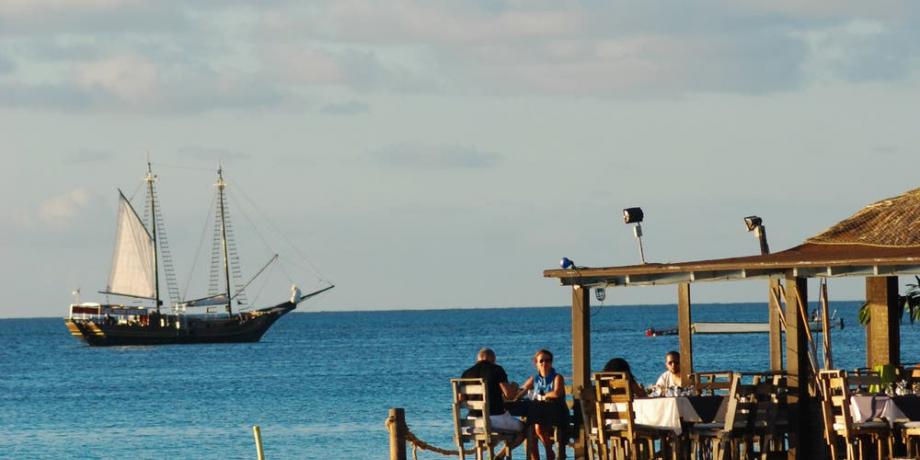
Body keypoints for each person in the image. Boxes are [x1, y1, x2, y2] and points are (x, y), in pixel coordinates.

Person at [461, 348, 525, 434]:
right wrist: (515, 386)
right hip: (494, 419)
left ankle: (490, 447)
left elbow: (460, 399)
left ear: (477, 359)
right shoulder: (496, 369)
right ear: (494, 359)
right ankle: (507, 447)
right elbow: (509, 395)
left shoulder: (466, 373)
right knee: (525, 427)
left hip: (471, 420)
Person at [519, 349, 568, 460]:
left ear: (551, 363)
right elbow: (521, 391)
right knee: (529, 429)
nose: (544, 363)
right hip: (539, 414)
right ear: (536, 363)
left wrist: (541, 396)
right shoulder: (534, 379)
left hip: (556, 414)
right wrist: (513, 394)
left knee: (537, 426)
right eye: (541, 361)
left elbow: (556, 393)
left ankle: (549, 453)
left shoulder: (557, 377)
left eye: (548, 360)